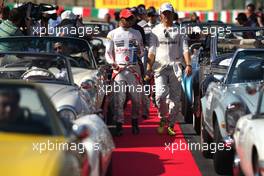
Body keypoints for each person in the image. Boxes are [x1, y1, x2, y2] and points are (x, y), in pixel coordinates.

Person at [147, 2, 192, 136]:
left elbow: (185, 49)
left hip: (175, 68)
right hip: (159, 68)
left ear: (173, 14)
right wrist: (149, 67)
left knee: (175, 99)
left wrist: (188, 64)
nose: (166, 16)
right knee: (160, 96)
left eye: (169, 13)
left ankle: (171, 124)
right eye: (164, 13)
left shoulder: (179, 31)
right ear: (160, 15)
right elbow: (152, 51)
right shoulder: (155, 31)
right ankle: (162, 118)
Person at [105, 9, 144, 136]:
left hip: (133, 69)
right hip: (119, 69)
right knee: (119, 99)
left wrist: (139, 52)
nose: (129, 21)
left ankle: (134, 122)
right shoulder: (112, 34)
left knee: (136, 99)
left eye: (131, 18)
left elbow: (142, 51)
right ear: (121, 19)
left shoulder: (137, 33)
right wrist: (113, 64)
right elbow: (108, 53)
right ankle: (119, 125)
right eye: (127, 18)